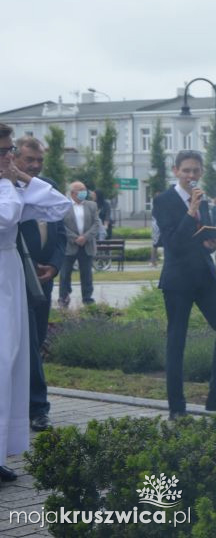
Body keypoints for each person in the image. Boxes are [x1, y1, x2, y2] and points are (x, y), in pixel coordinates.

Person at [0, 123, 71, 483]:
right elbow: (5, 217)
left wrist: (20, 179)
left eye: (10, 151)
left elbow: (60, 206)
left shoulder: (13, 186)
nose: (9, 158)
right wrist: (9, 184)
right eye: (5, 152)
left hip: (8, 275)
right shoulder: (6, 192)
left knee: (10, 357)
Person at [152, 150, 216, 419]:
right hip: (178, 279)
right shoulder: (163, 200)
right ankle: (177, 407)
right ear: (175, 171)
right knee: (177, 341)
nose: (191, 176)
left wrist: (211, 242)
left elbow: (200, 239)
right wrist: (192, 210)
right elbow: (172, 242)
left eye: (196, 171)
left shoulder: (204, 199)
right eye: (186, 171)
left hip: (205, 277)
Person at [14, 137, 67, 432]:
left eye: (39, 161)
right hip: (16, 276)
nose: (35, 166)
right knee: (28, 345)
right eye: (29, 160)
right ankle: (37, 408)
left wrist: (56, 265)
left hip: (44, 279)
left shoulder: (44, 187)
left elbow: (61, 234)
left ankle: (28, 403)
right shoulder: (9, 191)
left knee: (35, 341)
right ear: (13, 158)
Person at [58, 180, 100, 306]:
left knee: (87, 274)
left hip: (87, 245)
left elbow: (96, 223)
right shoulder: (64, 205)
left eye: (84, 189)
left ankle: (87, 298)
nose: (84, 192)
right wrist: (75, 238)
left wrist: (85, 237)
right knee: (65, 274)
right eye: (80, 190)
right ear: (72, 193)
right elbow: (61, 225)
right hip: (69, 245)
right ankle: (63, 297)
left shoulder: (91, 205)